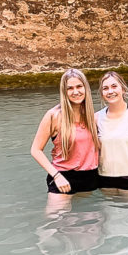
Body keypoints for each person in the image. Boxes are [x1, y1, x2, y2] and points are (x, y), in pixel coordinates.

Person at [30, 68, 100, 200]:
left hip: (90, 177)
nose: (75, 92)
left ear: (86, 88)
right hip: (62, 177)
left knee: (89, 218)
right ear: (64, 91)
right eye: (70, 88)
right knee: (58, 218)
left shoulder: (92, 116)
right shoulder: (54, 116)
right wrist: (57, 176)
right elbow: (35, 150)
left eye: (79, 86)